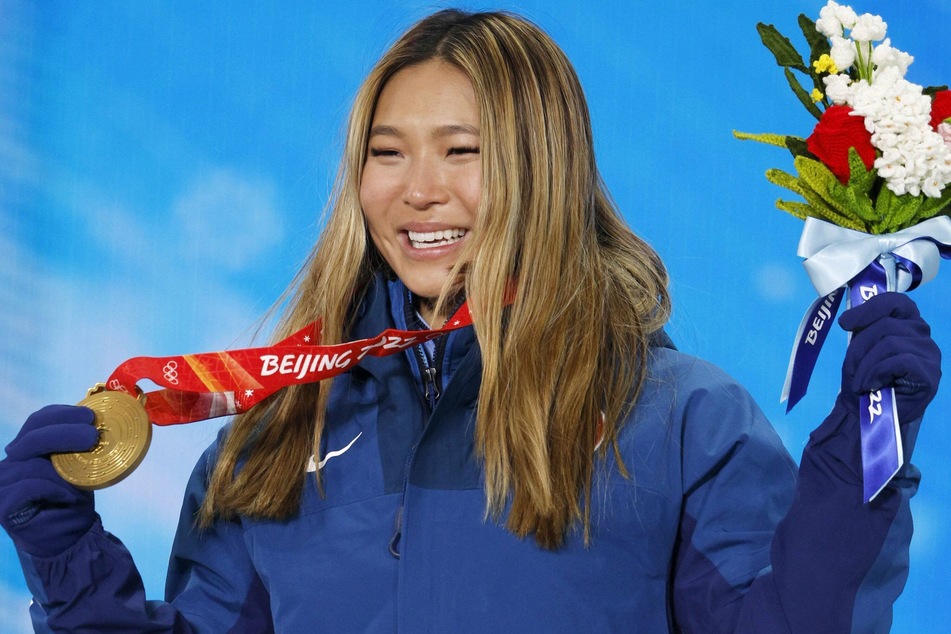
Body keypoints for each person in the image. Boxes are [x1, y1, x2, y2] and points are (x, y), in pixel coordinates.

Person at [0, 9, 941, 633]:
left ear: (542, 166)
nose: (418, 191)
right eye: (386, 153)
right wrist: (69, 563)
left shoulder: (680, 423)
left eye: (462, 151)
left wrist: (862, 450)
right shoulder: (277, 434)